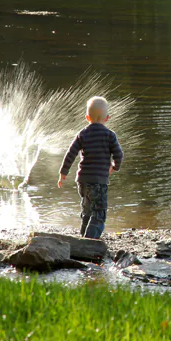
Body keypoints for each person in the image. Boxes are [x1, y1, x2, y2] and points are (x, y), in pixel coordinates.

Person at [57, 96, 123, 238]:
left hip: (82, 181)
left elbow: (71, 154)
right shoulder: (110, 135)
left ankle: (83, 236)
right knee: (99, 212)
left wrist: (63, 172)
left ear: (87, 117)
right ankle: (90, 240)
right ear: (107, 118)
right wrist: (114, 166)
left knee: (87, 210)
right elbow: (119, 155)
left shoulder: (82, 134)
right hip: (99, 181)